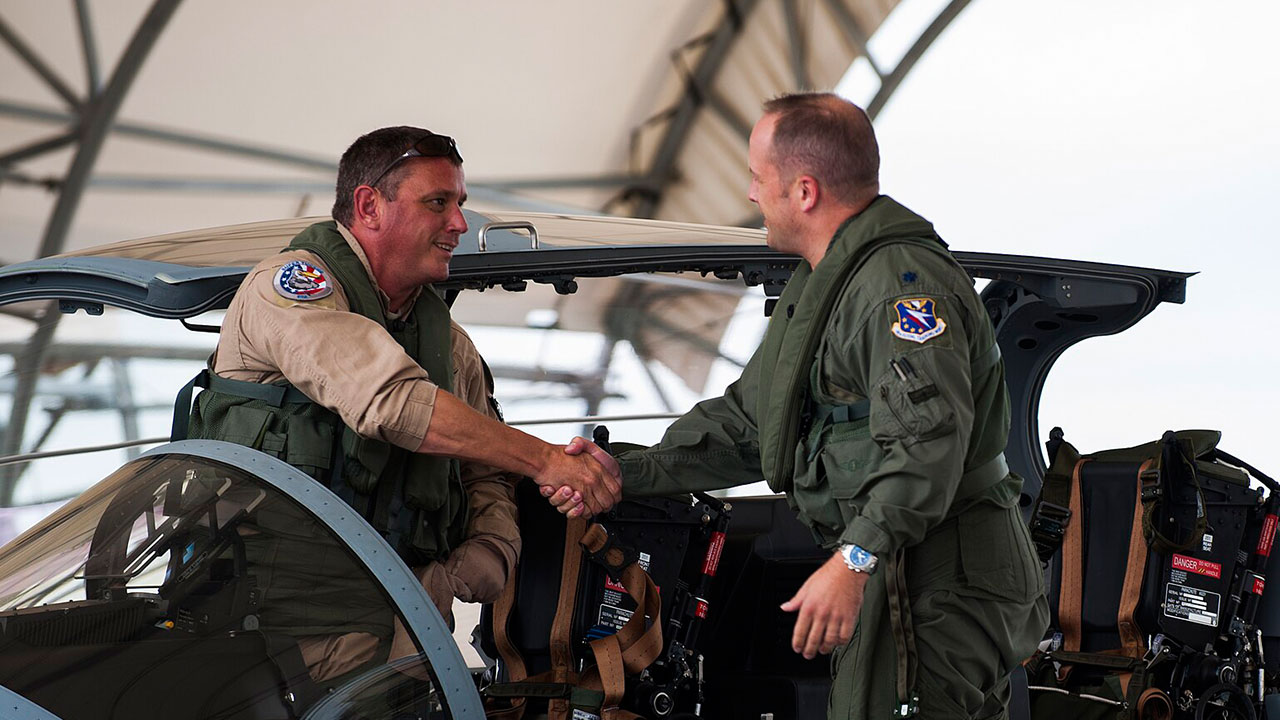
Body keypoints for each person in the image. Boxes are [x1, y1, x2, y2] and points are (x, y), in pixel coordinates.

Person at [555, 94, 1048, 718]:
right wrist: (620, 474)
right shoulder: (825, 285)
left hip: (942, 573)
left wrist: (854, 559)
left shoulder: (898, 289)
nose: (751, 194)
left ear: (805, 191)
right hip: (904, 565)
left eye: (758, 179)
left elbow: (929, 446)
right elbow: (750, 425)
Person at [182, 125, 619, 679]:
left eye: (459, 204)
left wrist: (489, 552)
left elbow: (487, 472)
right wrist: (548, 460)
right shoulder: (290, 290)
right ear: (369, 206)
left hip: (405, 633)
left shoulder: (449, 347)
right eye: (437, 203)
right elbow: (390, 401)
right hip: (267, 641)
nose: (459, 224)